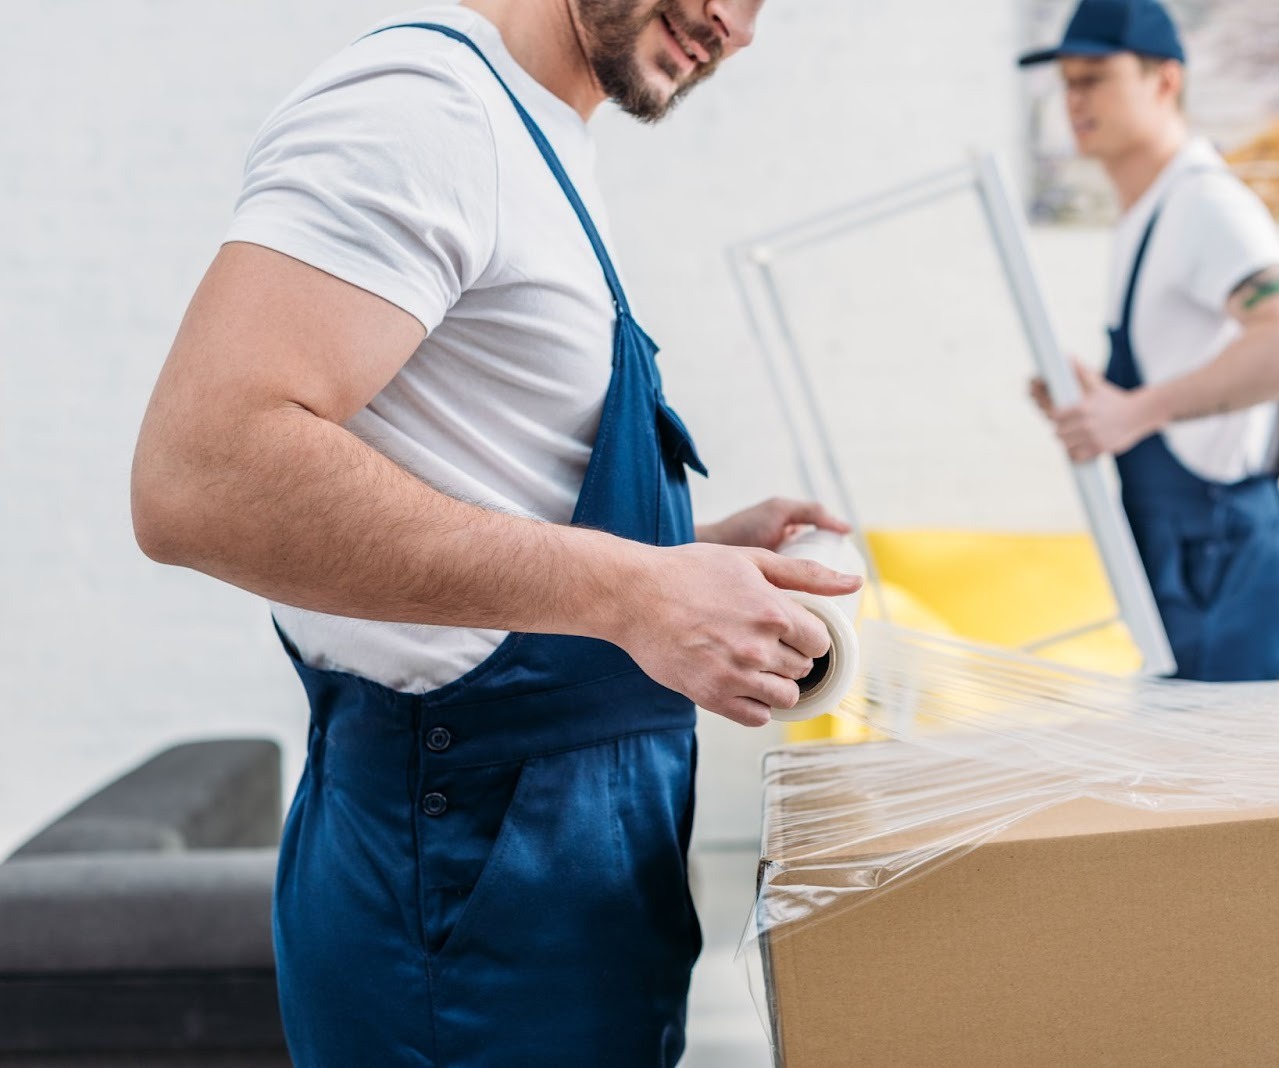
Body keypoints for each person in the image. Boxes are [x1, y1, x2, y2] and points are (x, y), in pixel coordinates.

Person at [130, 1, 861, 1062]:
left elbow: (473, 469)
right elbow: (200, 475)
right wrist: (633, 593)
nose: (732, 24)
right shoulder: (423, 118)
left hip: (566, 877)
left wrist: (679, 550)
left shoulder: (532, 137)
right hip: (465, 887)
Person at [1022, 0, 1279, 682]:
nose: (1073, 99)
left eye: (1095, 78)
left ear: (1165, 81)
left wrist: (1137, 411)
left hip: (1223, 575)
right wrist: (1106, 403)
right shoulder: (1150, 211)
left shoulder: (1204, 205)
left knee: (1220, 790)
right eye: (1067, 81)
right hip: (1185, 565)